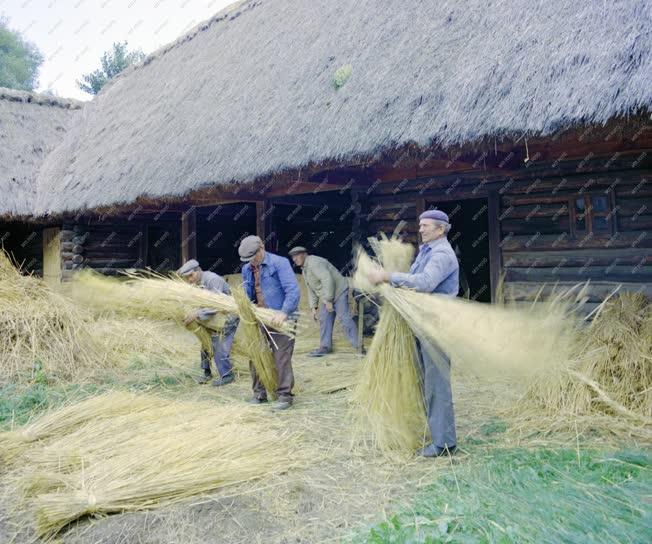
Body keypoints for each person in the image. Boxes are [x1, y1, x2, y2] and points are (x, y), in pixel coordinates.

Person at [367, 210, 459, 457]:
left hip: (437, 325)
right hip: (422, 322)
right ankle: (434, 431)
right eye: (420, 224)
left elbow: (426, 282)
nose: (420, 229)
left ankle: (444, 444)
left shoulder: (442, 254)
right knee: (422, 378)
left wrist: (388, 276)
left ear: (440, 229)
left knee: (436, 383)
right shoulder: (427, 251)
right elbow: (415, 277)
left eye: (425, 225)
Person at [238, 235, 301, 410]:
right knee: (255, 354)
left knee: (280, 356)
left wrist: (283, 313)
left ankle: (284, 396)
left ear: (262, 248)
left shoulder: (279, 263)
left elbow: (293, 290)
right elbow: (248, 293)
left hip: (281, 318)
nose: (251, 261)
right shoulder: (247, 269)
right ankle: (259, 393)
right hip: (259, 317)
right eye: (247, 259)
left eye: (253, 257)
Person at [288, 246, 361, 356]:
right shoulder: (305, 269)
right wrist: (313, 307)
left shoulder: (314, 263)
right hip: (327, 294)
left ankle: (359, 347)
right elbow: (311, 289)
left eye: (296, 256)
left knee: (344, 318)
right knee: (324, 319)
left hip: (338, 291)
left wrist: (329, 300)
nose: (294, 259)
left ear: (303, 254)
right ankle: (325, 347)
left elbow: (327, 279)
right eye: (293, 257)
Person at [177, 259, 238, 387]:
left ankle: (227, 375)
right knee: (205, 340)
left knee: (217, 340)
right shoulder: (198, 284)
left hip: (227, 316)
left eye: (191, 275)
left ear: (198, 271)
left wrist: (197, 314)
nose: (189, 279)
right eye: (187, 277)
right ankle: (206, 372)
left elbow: (218, 304)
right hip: (213, 316)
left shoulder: (212, 279)